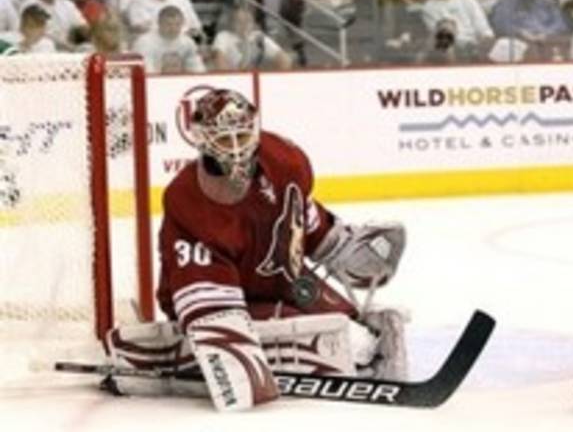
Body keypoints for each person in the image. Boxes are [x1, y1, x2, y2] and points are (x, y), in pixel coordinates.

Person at [105, 88, 408, 411]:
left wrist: (335, 242)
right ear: (203, 140)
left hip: (281, 281)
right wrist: (230, 352)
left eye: (242, 135)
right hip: (224, 300)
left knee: (353, 323)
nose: (237, 149)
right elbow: (209, 303)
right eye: (225, 140)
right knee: (338, 337)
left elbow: (299, 214)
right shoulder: (190, 200)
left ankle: (341, 349)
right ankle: (174, 354)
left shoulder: (285, 160)